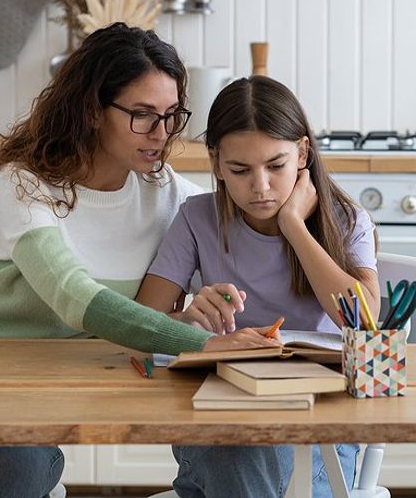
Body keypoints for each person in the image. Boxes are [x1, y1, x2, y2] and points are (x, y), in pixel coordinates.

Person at [0, 24, 273, 498]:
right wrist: (196, 342)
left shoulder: (168, 195)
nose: (161, 135)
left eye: (171, 116)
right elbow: (71, 296)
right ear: (92, 111)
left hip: (35, 395)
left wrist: (199, 307)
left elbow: (252, 231)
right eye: (143, 116)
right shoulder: (22, 183)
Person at [135, 75, 381, 498]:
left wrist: (294, 227)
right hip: (222, 416)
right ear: (215, 163)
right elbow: (139, 328)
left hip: (317, 426)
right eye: (240, 170)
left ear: (302, 153)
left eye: (276, 165)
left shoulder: (345, 220)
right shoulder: (197, 219)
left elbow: (365, 321)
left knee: (264, 468)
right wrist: (188, 321)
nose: (261, 186)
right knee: (240, 455)